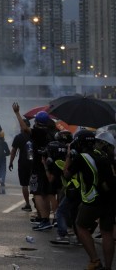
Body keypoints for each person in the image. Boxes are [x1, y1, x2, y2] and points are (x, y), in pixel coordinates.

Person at [63, 129, 115, 270]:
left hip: (93, 200)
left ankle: (95, 260)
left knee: (81, 226)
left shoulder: (81, 157)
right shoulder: (103, 154)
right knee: (107, 233)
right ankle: (108, 267)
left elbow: (67, 174)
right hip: (109, 199)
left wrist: (69, 156)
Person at [13, 102, 57, 231]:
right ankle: (56, 219)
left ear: (37, 121)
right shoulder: (52, 132)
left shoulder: (38, 132)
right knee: (50, 193)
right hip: (50, 165)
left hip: (38, 166)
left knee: (37, 193)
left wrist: (17, 113)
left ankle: (44, 219)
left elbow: (25, 129)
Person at [9, 117, 33, 211]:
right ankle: (38, 204)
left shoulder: (18, 137)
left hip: (23, 163)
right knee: (35, 184)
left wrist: (11, 162)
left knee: (24, 184)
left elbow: (13, 151)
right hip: (35, 163)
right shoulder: (34, 136)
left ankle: (27, 204)